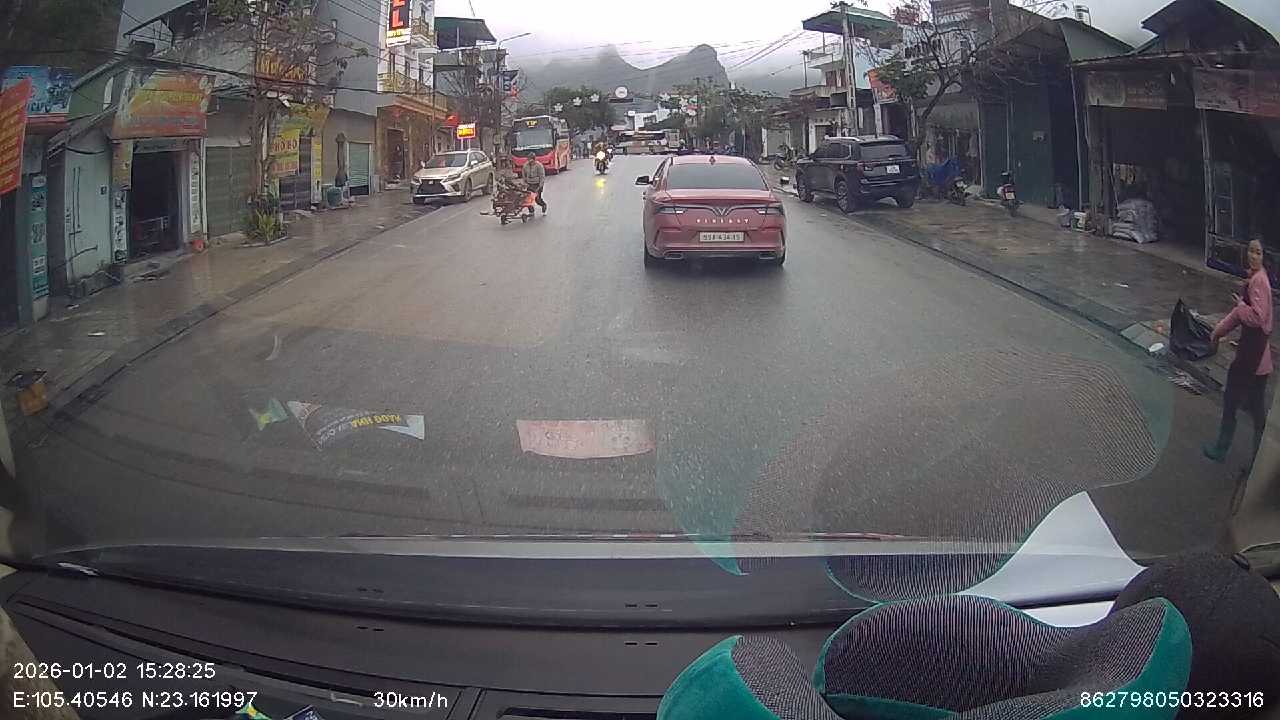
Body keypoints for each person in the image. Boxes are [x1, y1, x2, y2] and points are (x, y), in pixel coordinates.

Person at [1204, 238, 1273, 464]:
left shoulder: (1259, 281)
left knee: (1231, 401)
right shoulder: (1255, 278)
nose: (1253, 256)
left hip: (1250, 358)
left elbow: (1256, 317)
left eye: (1258, 252)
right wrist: (1219, 331)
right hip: (1259, 360)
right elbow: (1238, 316)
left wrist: (1241, 306)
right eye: (1251, 251)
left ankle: (1221, 450)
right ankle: (1259, 459)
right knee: (1256, 410)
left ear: (1264, 257)